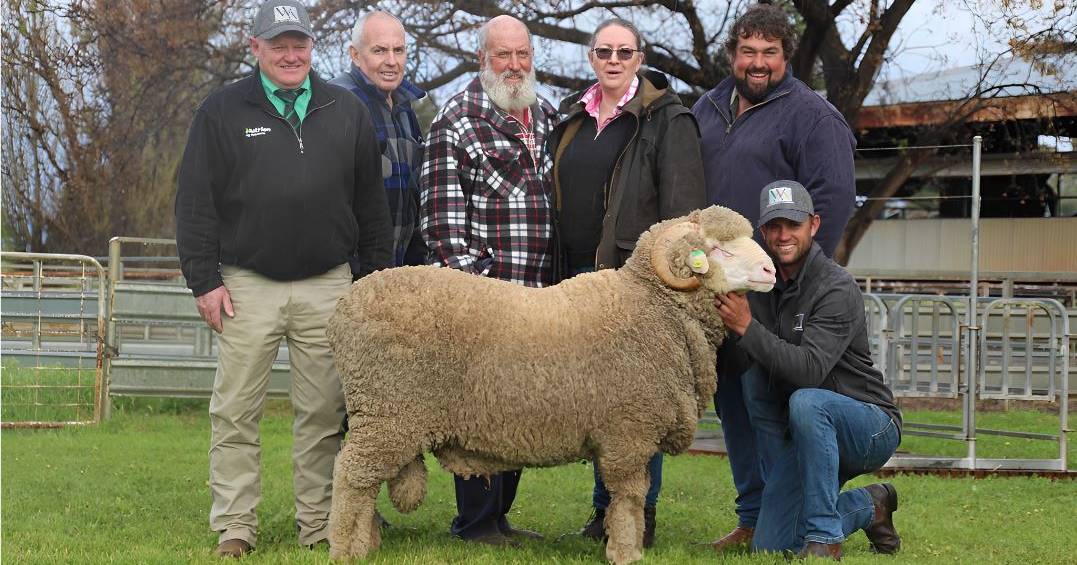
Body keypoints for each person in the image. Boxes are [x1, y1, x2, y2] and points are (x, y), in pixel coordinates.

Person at [174, 0, 392, 557]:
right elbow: (194, 203)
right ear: (256, 49)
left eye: (299, 44)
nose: (290, 55)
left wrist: (368, 285)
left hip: (329, 285)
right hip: (246, 284)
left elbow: (371, 207)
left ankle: (320, 524)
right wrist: (204, 281)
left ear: (312, 48)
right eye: (278, 45)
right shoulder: (220, 112)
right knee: (235, 410)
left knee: (323, 414)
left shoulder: (346, 110)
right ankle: (236, 525)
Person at [690, 4, 857, 552]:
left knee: (768, 399)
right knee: (731, 401)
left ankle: (791, 514)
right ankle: (751, 514)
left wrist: (793, 280)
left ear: (785, 58)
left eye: (769, 53)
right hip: (715, 287)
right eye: (747, 52)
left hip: (773, 287)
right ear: (732, 54)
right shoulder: (707, 108)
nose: (757, 63)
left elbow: (830, 200)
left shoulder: (812, 116)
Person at [547, 17, 706, 548]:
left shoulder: (668, 120)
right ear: (591, 58)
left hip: (634, 288)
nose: (613, 60)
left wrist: (669, 288)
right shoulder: (574, 118)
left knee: (634, 404)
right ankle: (604, 512)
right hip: (575, 280)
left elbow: (683, 217)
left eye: (624, 52)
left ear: (640, 58)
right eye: (603, 52)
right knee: (596, 401)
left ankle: (638, 512)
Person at [419, 14, 554, 547]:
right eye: (503, 55)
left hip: (539, 298)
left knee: (519, 411)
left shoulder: (541, 115)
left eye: (522, 55)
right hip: (485, 302)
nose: (514, 65)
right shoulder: (455, 120)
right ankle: (474, 523)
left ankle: (499, 517)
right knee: (477, 414)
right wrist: (477, 298)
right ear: (483, 60)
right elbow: (442, 228)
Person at [714, 180, 901, 560]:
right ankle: (872, 505)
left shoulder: (836, 286)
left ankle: (824, 539)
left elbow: (810, 371)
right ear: (763, 231)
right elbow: (738, 367)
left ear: (813, 225)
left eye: (793, 225)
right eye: (774, 226)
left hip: (867, 424)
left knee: (807, 400)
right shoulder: (759, 288)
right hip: (808, 436)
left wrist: (747, 328)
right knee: (772, 544)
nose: (783, 236)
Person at [330, 10, 428, 268]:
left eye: (399, 50)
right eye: (380, 50)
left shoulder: (405, 109)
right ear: (354, 54)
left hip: (397, 274)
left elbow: (413, 199)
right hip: (349, 274)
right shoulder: (336, 104)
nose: (392, 61)